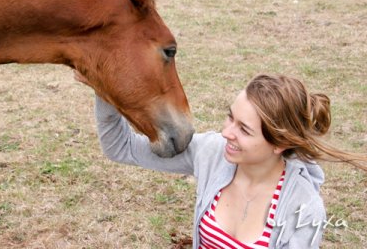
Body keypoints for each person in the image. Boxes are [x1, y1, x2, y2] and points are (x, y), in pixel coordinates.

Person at [75, 72, 367, 249]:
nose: (226, 132)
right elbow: (121, 147)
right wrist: (106, 91)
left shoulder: (304, 209)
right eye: (231, 117)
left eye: (244, 130)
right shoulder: (212, 153)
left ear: (279, 144)